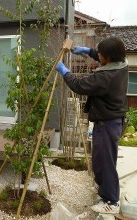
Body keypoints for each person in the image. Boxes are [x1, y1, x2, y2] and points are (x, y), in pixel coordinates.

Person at [56, 37, 128, 214]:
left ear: (108, 58)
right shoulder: (122, 64)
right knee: (101, 160)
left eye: (100, 54)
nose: (99, 55)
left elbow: (80, 85)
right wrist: (87, 51)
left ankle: (111, 201)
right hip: (111, 122)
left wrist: (65, 72)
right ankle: (105, 193)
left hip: (107, 125)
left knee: (105, 163)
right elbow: (101, 56)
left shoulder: (106, 77)